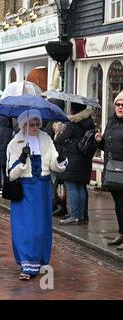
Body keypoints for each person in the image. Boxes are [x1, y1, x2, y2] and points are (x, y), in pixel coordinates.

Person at [7, 109, 67, 280]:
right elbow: (11, 173)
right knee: (25, 227)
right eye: (30, 124)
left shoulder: (46, 139)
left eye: (36, 124)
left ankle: (39, 260)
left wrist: (60, 159)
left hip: (41, 189)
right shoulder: (14, 143)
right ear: (23, 125)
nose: (34, 127)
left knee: (41, 227)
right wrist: (22, 160)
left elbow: (54, 164)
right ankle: (26, 265)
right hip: (24, 190)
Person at [55, 103, 95, 225]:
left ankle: (75, 215)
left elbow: (60, 140)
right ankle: (82, 215)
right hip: (85, 159)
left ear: (73, 110)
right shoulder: (89, 122)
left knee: (72, 187)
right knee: (81, 187)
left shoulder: (73, 123)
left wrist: (58, 131)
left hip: (73, 159)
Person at [95, 92, 123, 250]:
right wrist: (100, 141)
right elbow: (106, 145)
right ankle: (121, 232)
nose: (120, 107)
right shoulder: (111, 122)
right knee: (118, 204)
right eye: (118, 104)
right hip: (112, 169)